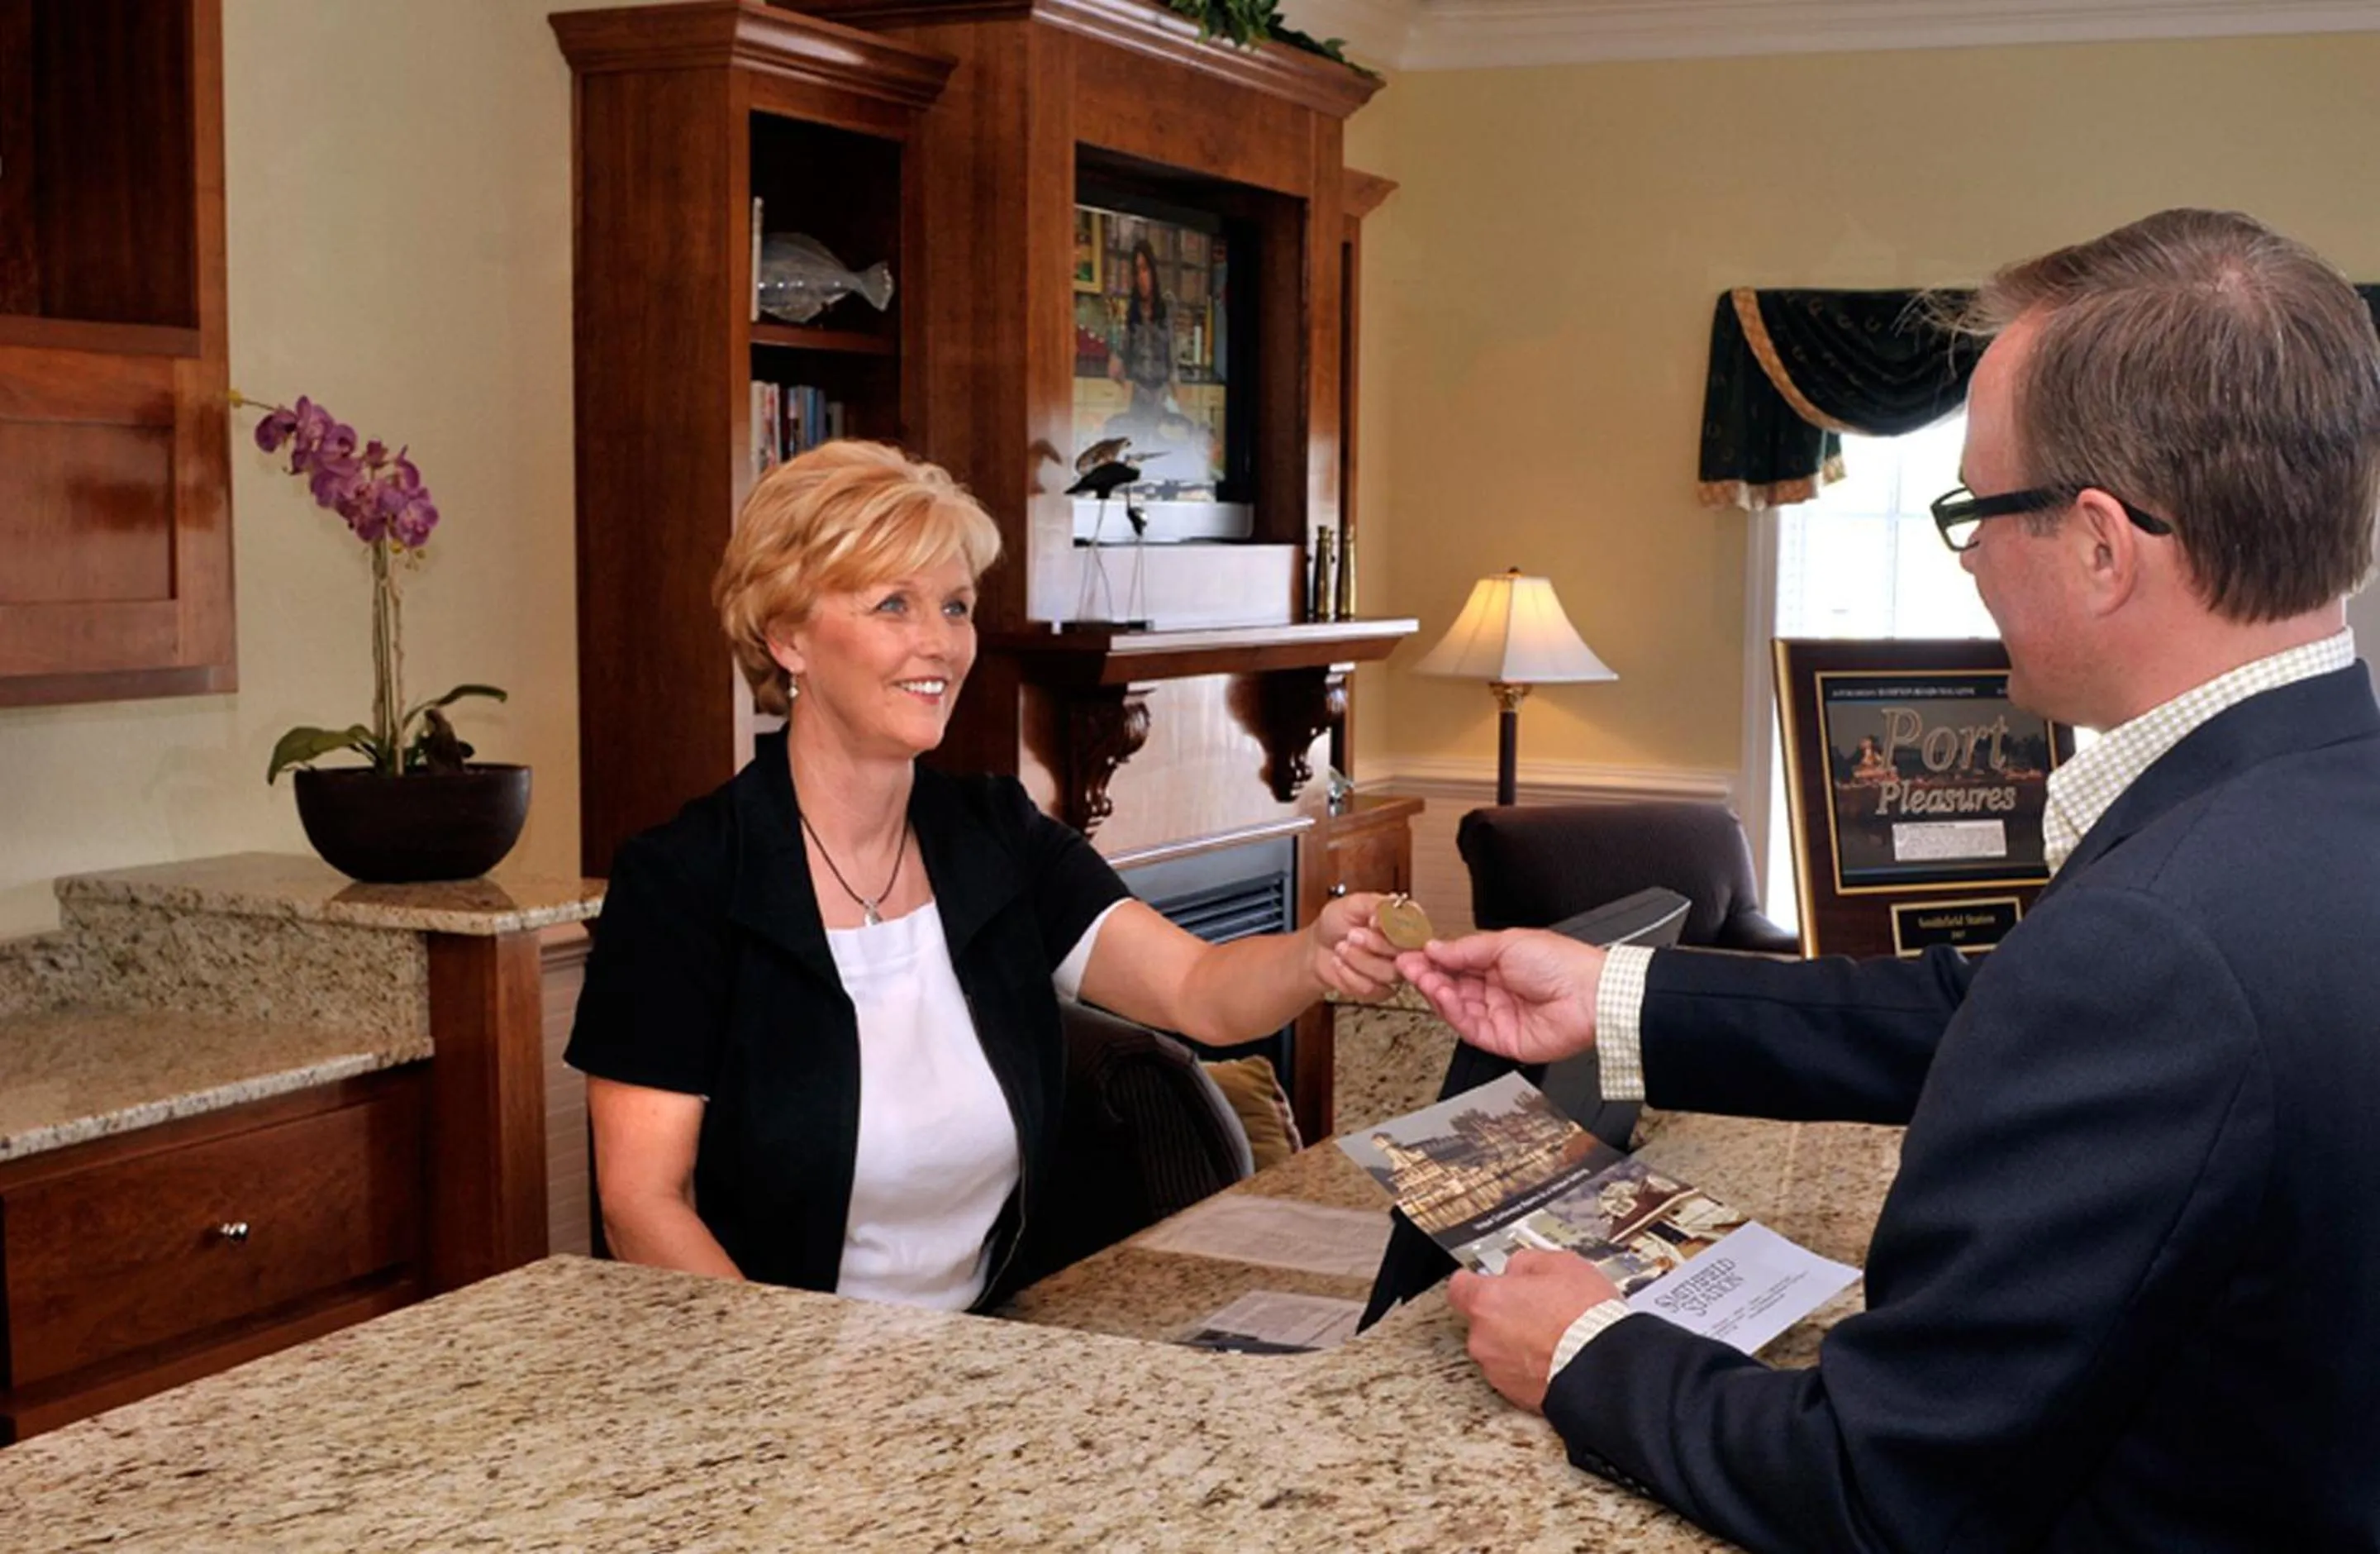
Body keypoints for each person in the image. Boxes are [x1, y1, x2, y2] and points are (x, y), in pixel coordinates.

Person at [1383, 210, 2380, 1550]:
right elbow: (2015, 1017)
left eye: (1973, 509)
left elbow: (1882, 1486)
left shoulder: (2158, 935)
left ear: (2100, 544)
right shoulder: (2310, 801)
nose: (1965, 556)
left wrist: (1585, 1350)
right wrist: (1619, 997)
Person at [567, 441, 1398, 1312]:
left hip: (986, 1357)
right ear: (788, 637)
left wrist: (1314, 953)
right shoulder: (684, 881)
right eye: (894, 603)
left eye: (955, 605)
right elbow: (642, 1206)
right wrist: (793, 1394)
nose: (940, 643)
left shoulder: (995, 835)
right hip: (762, 1380)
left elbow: (1199, 988)